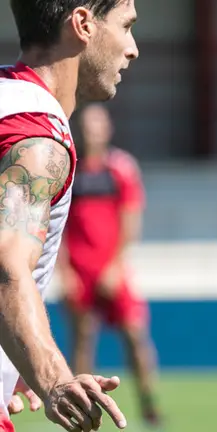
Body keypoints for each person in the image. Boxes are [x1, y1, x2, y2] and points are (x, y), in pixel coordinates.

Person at [0, 1, 139, 431]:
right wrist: (54, 379)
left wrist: (14, 360)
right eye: (126, 26)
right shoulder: (39, 140)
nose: (132, 48)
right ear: (82, 25)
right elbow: (7, 268)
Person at [56, 103, 162, 428]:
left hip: (112, 270)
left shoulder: (120, 168)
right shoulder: (66, 169)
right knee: (83, 339)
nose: (91, 131)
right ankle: (82, 410)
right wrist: (65, 271)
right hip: (79, 271)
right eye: (86, 125)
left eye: (97, 125)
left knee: (134, 334)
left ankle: (148, 403)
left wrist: (115, 266)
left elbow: (130, 221)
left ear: (108, 129)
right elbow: (55, 225)